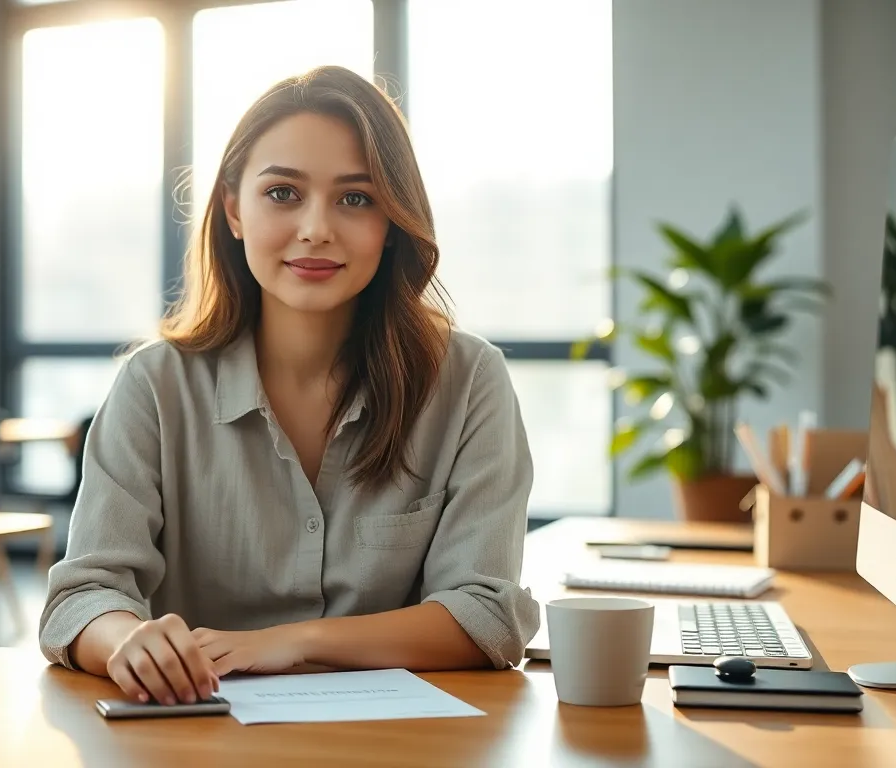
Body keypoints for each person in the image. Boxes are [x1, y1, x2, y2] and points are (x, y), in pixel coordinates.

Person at [38, 65, 538, 706]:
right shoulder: (155, 385)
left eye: (356, 198)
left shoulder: (468, 381)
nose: (316, 229)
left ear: (393, 221)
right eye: (282, 193)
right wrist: (125, 640)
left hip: (401, 746)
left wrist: (292, 641)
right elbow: (83, 596)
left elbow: (486, 616)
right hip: (198, 744)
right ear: (232, 209)